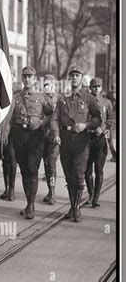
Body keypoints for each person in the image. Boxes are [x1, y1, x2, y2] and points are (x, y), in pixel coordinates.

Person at [51, 66, 101, 222]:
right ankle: (73, 207)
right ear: (69, 78)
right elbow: (54, 119)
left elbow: (98, 118)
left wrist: (86, 125)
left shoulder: (88, 98)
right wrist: (57, 134)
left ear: (81, 78)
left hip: (81, 140)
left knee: (79, 175)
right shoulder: (62, 98)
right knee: (68, 175)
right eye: (71, 75)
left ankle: (76, 209)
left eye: (77, 75)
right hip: (65, 139)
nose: (74, 78)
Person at [11, 66, 53, 220]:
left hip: (35, 136)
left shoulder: (42, 97)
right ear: (22, 79)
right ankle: (28, 203)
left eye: (30, 77)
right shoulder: (15, 97)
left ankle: (31, 205)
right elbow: (10, 118)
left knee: (32, 168)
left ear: (35, 80)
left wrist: (41, 122)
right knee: (23, 169)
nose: (27, 79)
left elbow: (51, 115)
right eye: (25, 77)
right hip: (19, 135)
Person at [84, 78, 114, 207]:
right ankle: (90, 195)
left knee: (99, 169)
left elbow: (111, 119)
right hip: (87, 138)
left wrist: (103, 128)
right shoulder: (85, 101)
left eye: (98, 86)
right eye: (94, 86)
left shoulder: (106, 103)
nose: (96, 88)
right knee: (86, 169)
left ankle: (96, 197)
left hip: (100, 139)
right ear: (90, 88)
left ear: (101, 88)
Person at [42, 74, 61, 205]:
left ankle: (53, 192)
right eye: (45, 84)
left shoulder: (60, 98)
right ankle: (50, 191)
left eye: (49, 84)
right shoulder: (40, 98)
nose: (47, 87)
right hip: (43, 136)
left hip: (54, 136)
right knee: (46, 163)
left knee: (52, 162)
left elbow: (58, 116)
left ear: (54, 85)